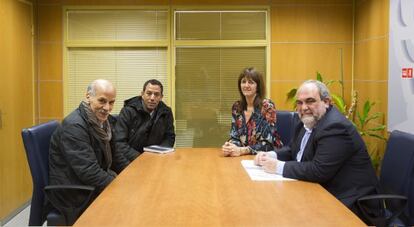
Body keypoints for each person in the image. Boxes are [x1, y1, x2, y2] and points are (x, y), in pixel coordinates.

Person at [254, 80, 378, 219]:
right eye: (299, 103)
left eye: (310, 101)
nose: (303, 107)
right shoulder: (307, 120)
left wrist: (278, 167)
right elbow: (293, 149)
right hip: (321, 192)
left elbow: (319, 170)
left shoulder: (335, 127)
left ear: (326, 102)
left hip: (350, 205)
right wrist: (270, 155)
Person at [48, 79, 130, 224]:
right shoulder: (74, 127)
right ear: (88, 97)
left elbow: (116, 156)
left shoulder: (105, 121)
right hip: (75, 191)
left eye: (111, 102)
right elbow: (89, 172)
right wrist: (121, 186)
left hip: (90, 182)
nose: (107, 108)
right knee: (129, 207)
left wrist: (133, 175)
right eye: (102, 101)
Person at [222, 67, 283, 157]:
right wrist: (230, 146)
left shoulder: (267, 106)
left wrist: (242, 150)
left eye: (251, 82)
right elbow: (235, 137)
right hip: (244, 157)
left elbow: (268, 144)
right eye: (243, 82)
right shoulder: (237, 107)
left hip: (267, 157)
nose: (246, 85)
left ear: (258, 86)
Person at [114, 79, 175, 161]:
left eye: (156, 94)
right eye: (149, 93)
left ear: (161, 97)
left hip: (157, 158)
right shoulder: (128, 111)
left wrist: (159, 154)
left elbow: (169, 137)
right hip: (131, 159)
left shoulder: (166, 112)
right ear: (142, 94)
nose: (152, 98)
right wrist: (141, 158)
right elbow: (119, 142)